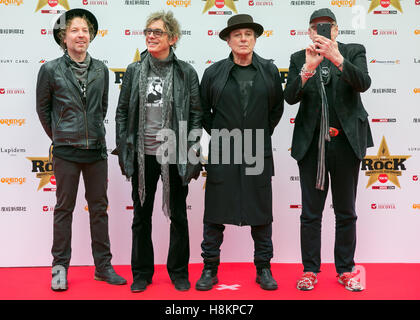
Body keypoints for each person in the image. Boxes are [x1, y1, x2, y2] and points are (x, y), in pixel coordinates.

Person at [36, 8, 126, 291]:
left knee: (99, 209)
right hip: (66, 152)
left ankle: (103, 266)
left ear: (91, 36)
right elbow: (44, 109)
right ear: (63, 37)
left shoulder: (101, 69)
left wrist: (90, 135)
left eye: (85, 30)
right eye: (74, 30)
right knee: (64, 209)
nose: (80, 35)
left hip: (96, 151)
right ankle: (59, 268)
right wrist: (62, 136)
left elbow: (101, 109)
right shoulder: (50, 69)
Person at [284, 8, 373, 291]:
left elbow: (363, 83)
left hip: (346, 144)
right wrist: (308, 68)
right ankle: (310, 270)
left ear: (336, 30)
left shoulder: (354, 50)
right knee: (311, 213)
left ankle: (345, 269)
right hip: (312, 146)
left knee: (345, 211)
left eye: (327, 27)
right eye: (315, 27)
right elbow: (289, 97)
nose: (321, 31)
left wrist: (336, 57)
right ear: (309, 32)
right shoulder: (300, 57)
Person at [114, 11, 202, 293]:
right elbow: (122, 112)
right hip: (143, 154)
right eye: (148, 31)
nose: (151, 36)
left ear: (173, 39)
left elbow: (197, 114)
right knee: (141, 216)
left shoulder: (186, 72)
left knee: (178, 215)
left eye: (158, 32)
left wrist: (191, 150)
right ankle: (141, 272)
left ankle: (178, 272)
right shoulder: (134, 70)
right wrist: (126, 147)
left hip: (174, 154)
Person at [196, 14, 284, 291]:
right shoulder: (213, 73)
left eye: (248, 34)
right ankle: (209, 268)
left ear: (255, 39)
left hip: (258, 147)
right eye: (237, 35)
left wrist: (255, 134)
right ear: (228, 40)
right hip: (223, 149)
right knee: (214, 213)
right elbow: (203, 112)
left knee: (261, 213)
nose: (243, 39)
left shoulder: (269, 71)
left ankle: (263, 268)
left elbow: (276, 110)